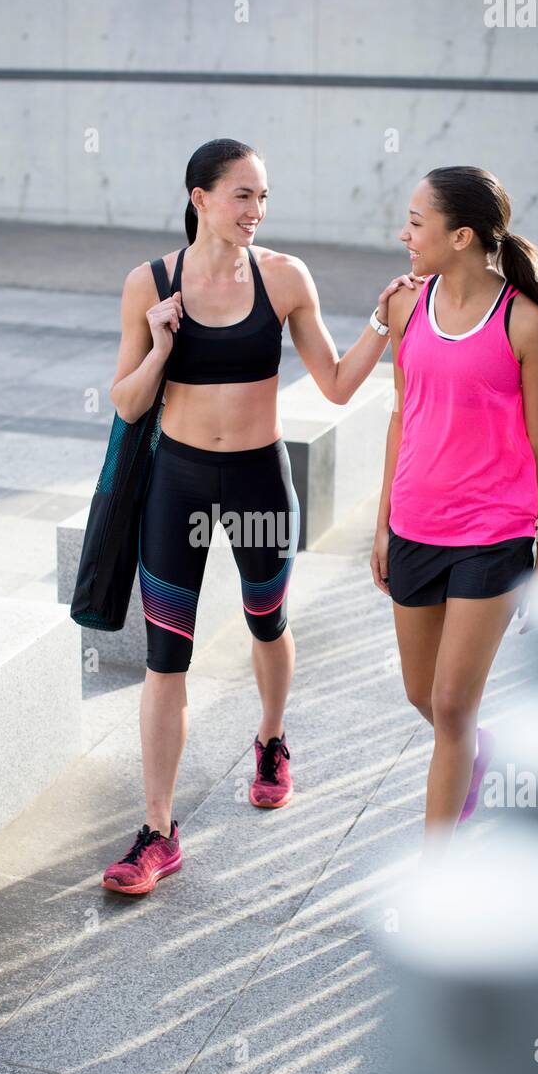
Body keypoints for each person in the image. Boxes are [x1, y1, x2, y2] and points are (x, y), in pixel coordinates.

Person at [102, 137, 422, 893]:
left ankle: (272, 739)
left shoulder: (283, 278)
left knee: (266, 622)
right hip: (175, 485)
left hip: (256, 483)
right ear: (200, 198)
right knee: (165, 658)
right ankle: (157, 830)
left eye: (264, 197)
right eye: (242, 194)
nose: (256, 210)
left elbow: (338, 385)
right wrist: (158, 344)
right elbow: (125, 401)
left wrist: (380, 321)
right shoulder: (148, 284)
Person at [370, 165, 538, 859]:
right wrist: (383, 522)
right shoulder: (403, 309)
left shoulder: (527, 323)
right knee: (423, 695)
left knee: (451, 705)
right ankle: (479, 756)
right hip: (415, 526)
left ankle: (436, 876)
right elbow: (401, 416)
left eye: (416, 221)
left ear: (461, 235)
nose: (404, 232)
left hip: (495, 535)